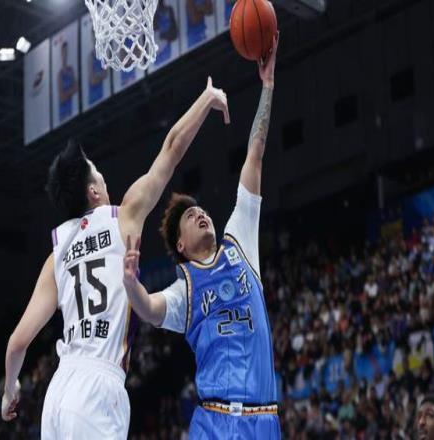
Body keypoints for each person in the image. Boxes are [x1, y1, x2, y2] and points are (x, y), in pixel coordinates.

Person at [0, 77, 230, 439]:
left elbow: (17, 343)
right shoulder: (125, 217)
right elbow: (171, 149)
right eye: (98, 172)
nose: (104, 178)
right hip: (98, 389)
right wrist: (206, 98)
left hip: (58, 394)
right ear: (94, 191)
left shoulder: (56, 257)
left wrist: (9, 390)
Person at [123, 34, 281, 438]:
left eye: (201, 211)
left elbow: (255, 155)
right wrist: (131, 284)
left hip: (265, 420)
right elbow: (149, 309)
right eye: (190, 217)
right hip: (215, 420)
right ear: (180, 246)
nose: (200, 214)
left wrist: (267, 86)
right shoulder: (185, 290)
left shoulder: (239, 242)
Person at [58, 41, 78, 122]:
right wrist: (71, 90)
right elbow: (62, 98)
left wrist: (66, 92)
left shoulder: (71, 70)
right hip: (62, 113)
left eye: (66, 52)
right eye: (63, 52)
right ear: (61, 54)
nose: (65, 54)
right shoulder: (60, 74)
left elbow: (76, 88)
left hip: (71, 110)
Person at [88, 33, 109, 106]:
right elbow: (92, 81)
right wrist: (100, 75)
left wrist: (96, 75)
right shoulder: (90, 57)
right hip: (93, 97)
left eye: (96, 37)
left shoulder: (103, 54)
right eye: (94, 37)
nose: (95, 39)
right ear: (92, 38)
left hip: (101, 95)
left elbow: (106, 74)